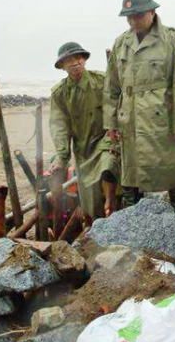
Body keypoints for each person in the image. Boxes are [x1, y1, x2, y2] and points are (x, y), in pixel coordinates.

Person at [104, 0, 175, 215]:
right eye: (129, 16)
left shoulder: (172, 39)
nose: (133, 21)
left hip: (162, 118)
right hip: (130, 118)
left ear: (152, 12)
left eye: (138, 15)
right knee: (131, 171)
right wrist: (111, 123)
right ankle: (131, 218)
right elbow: (112, 86)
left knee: (174, 169)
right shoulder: (121, 43)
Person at [49, 42, 123, 219]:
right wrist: (61, 157)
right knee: (92, 204)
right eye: (69, 60)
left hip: (106, 138)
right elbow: (60, 126)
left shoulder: (101, 80)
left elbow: (119, 101)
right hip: (83, 151)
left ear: (84, 60)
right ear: (62, 66)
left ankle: (111, 203)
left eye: (78, 58)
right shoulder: (59, 93)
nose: (75, 63)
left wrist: (117, 127)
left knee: (109, 164)